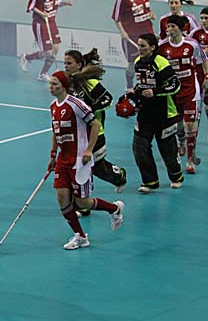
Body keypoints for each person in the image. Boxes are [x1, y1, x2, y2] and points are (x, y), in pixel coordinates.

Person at [47, 70, 124, 250]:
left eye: (55, 84)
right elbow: (55, 131)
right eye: (50, 83)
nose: (51, 87)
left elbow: (95, 125)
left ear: (64, 86)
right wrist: (52, 155)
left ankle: (114, 209)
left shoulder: (76, 104)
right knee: (62, 198)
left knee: (82, 202)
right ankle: (80, 236)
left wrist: (89, 150)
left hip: (79, 160)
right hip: (63, 159)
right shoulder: (53, 106)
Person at [63, 49, 127, 218]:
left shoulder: (90, 83)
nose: (66, 66)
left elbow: (108, 99)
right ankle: (82, 205)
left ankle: (118, 176)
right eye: (65, 63)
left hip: (94, 133)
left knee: (97, 168)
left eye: (69, 63)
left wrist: (89, 110)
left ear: (79, 64)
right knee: (80, 168)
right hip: (77, 135)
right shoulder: (67, 83)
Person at [121, 33, 183, 192]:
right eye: (139, 45)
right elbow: (142, 84)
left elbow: (175, 85)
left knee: (167, 150)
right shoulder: (138, 62)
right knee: (139, 146)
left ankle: (176, 176)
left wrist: (155, 92)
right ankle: (150, 182)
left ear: (153, 47)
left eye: (143, 46)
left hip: (164, 112)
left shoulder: (161, 62)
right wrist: (133, 92)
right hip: (145, 112)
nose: (139, 49)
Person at [158, 15, 208, 173]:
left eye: (172, 26)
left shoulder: (192, 44)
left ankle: (190, 160)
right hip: (172, 91)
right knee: (178, 125)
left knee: (190, 125)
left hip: (190, 91)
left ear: (180, 28)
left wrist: (206, 77)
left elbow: (203, 61)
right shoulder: (162, 46)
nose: (169, 29)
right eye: (168, 27)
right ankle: (181, 141)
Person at [20, 0, 72, 82]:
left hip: (52, 22)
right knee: (48, 53)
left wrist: (65, 3)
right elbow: (31, 7)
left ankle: (43, 74)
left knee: (55, 50)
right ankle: (27, 57)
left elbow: (56, 4)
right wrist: (42, 13)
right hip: (40, 24)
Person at [112, 0, 156, 89]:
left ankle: (148, 84)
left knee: (151, 59)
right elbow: (116, 17)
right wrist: (122, 32)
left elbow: (146, 8)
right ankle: (129, 86)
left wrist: (151, 13)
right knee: (132, 63)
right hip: (131, 36)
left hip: (147, 32)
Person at [189, 6, 208, 121]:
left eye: (206, 18)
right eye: (202, 18)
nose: (204, 21)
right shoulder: (195, 33)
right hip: (201, 69)